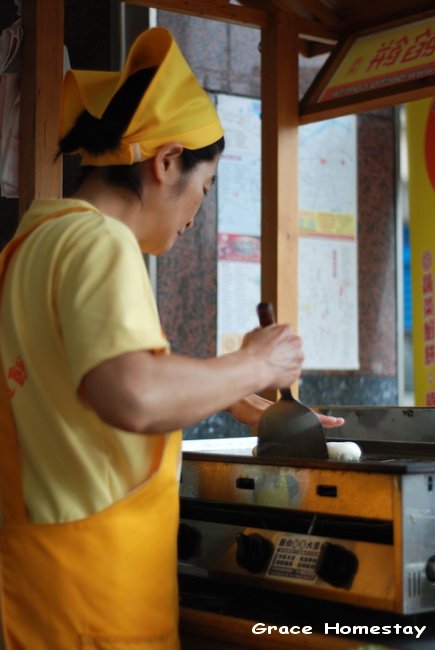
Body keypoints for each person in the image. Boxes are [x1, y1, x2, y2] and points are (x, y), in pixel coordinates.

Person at [0, 27, 342, 650]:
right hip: (97, 606)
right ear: (165, 162)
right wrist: (250, 361)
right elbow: (133, 394)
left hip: (39, 589)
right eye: (204, 188)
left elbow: (83, 387)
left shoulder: (35, 239)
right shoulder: (100, 243)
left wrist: (228, 391)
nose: (195, 214)